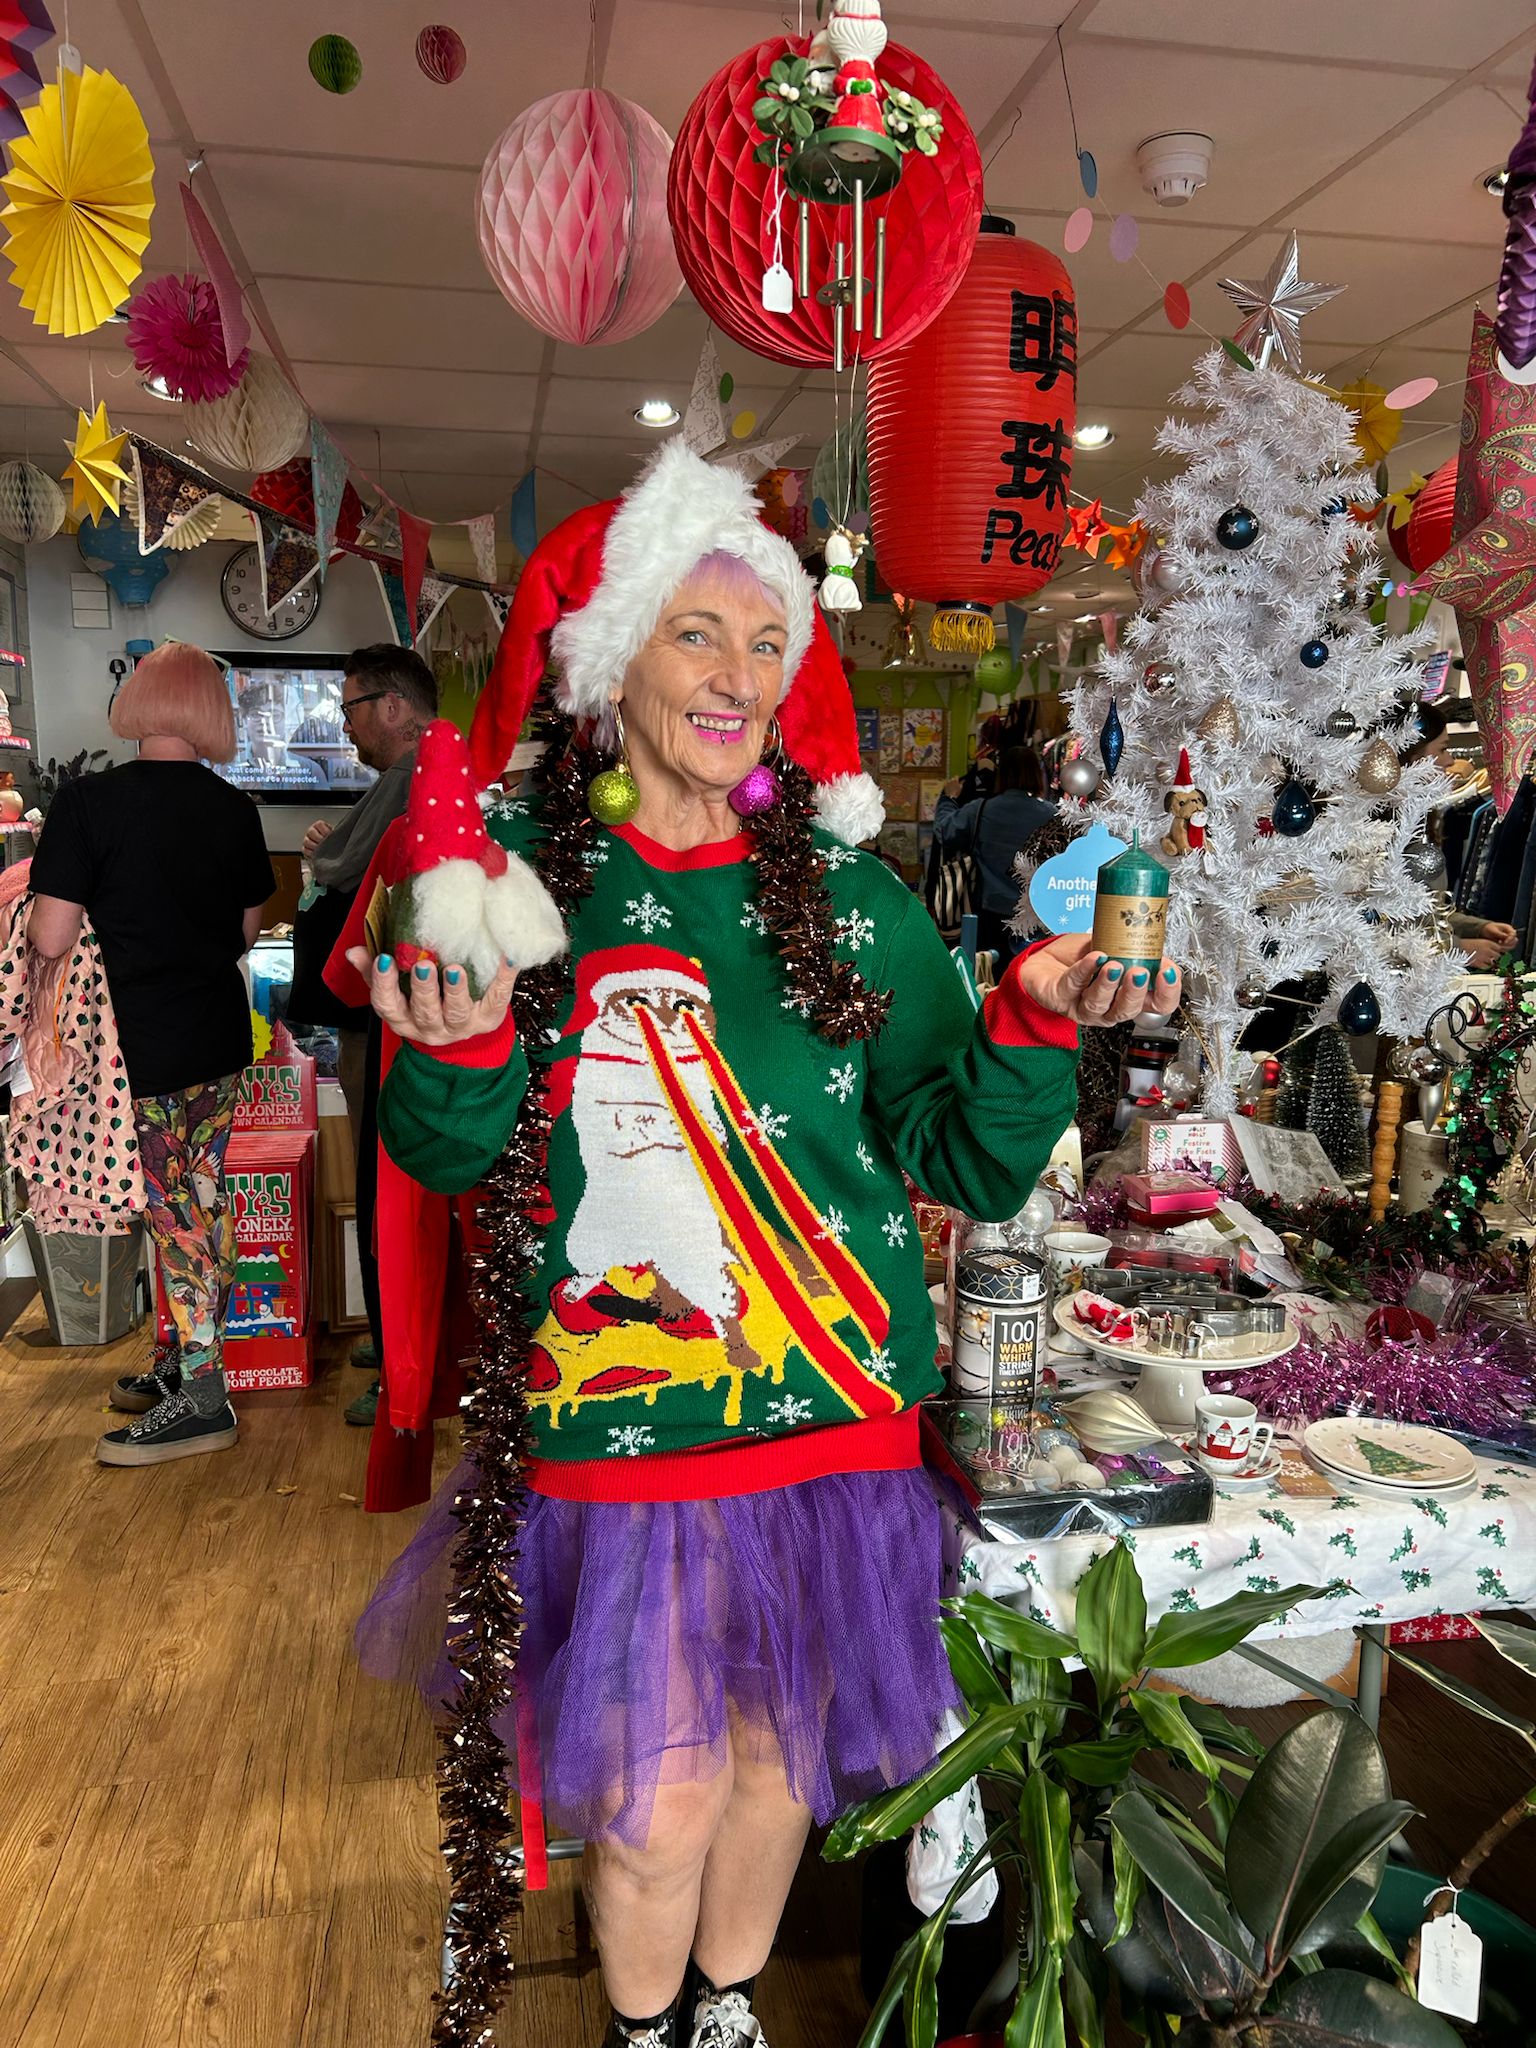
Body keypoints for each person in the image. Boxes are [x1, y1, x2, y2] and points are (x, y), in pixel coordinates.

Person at [345, 443, 1181, 2048]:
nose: (740, 680)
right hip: (624, 1420)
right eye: (697, 636)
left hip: (832, 1429)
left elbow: (965, 1160)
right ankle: (647, 2031)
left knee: (776, 1768)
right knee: (653, 1807)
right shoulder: (510, 897)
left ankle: (725, 2012)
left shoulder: (861, 904)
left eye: (768, 643)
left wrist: (1026, 1020)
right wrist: (449, 1052)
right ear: (615, 659)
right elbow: (452, 1156)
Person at [27, 642, 275, 1466]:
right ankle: (184, 1365)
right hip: (215, 1037)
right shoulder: (235, 810)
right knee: (203, 1200)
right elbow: (243, 934)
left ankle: (204, 1397)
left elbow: (51, 935)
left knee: (172, 1215)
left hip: (136, 1046)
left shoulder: (90, 803)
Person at [289, 646, 437, 1429]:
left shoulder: (415, 782)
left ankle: (402, 1360)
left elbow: (356, 875)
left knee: (392, 1193)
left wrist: (326, 860)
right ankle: (394, 1344)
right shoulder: (403, 783)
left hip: (391, 1028)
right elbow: (345, 866)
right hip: (379, 1023)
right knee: (392, 1193)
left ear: (390, 707)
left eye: (349, 710)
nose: (345, 728)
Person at [1401, 702, 1516, 970]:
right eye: (1442, 749)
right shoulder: (1377, 835)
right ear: (1411, 754)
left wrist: (1479, 928)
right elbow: (1383, 924)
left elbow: (1428, 911)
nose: (1450, 761)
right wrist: (1459, 948)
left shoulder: (1417, 823)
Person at [933, 742, 1057, 964]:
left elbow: (945, 831)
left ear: (1002, 774)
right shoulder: (1051, 814)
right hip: (1038, 914)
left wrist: (948, 799)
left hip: (988, 913)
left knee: (987, 976)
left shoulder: (980, 809)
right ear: (1037, 774)